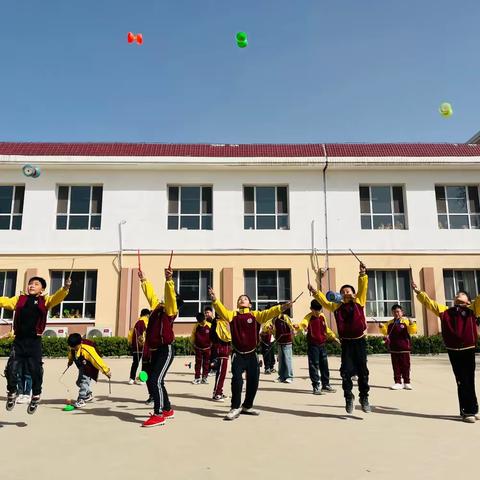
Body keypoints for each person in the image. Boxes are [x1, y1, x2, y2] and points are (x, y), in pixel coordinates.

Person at [208, 287, 292, 421]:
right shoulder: (232, 315)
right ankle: (235, 407)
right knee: (237, 380)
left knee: (253, 381)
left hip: (252, 354)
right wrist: (214, 300)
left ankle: (247, 406)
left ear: (250, 304)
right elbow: (220, 310)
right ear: (237, 304)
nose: (242, 300)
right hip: (238, 355)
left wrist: (282, 307)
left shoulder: (256, 315)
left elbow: (269, 312)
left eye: (245, 299)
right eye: (240, 299)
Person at [1, 275, 70, 414]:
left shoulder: (45, 301)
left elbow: (57, 297)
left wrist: (65, 288)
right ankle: (12, 392)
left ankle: (36, 395)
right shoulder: (19, 299)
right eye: (30, 284)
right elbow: (4, 301)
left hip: (34, 342)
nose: (31, 286)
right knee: (11, 368)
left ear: (42, 289)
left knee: (35, 370)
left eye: (36, 284)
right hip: (19, 341)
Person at [413, 281, 480, 423]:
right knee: (462, 380)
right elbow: (430, 303)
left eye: (461, 294)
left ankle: (472, 409)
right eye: (456, 294)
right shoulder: (446, 311)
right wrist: (419, 292)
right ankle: (467, 411)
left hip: (468, 348)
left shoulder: (472, 309)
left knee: (469, 379)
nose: (458, 295)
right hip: (453, 350)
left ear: (468, 300)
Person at [309, 262, 371, 413]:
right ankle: (348, 397)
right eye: (343, 291)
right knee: (346, 371)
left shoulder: (359, 301)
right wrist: (315, 292)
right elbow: (324, 301)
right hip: (347, 344)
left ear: (353, 293)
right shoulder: (336, 307)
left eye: (348, 290)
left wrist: (362, 273)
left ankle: (364, 397)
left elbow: (362, 288)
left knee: (363, 372)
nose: (345, 292)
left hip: (360, 342)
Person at [138, 266, 178, 428]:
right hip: (155, 351)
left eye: (166, 299)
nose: (161, 300)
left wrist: (168, 280)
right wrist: (143, 279)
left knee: (155, 380)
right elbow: (151, 294)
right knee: (157, 381)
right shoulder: (156, 308)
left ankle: (158, 414)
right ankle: (167, 409)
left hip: (165, 350)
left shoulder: (170, 310)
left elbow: (170, 298)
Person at [295, 299, 338, 394]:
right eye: (316, 311)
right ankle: (316, 386)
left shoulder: (322, 316)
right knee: (314, 365)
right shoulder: (308, 317)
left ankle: (325, 385)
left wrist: (334, 337)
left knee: (324, 365)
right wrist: (298, 327)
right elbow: (303, 324)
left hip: (322, 344)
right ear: (311, 309)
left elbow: (326, 329)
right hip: (313, 346)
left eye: (319, 310)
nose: (318, 312)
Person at [66, 333, 111, 408]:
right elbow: (71, 354)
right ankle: (88, 395)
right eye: (72, 347)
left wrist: (106, 371)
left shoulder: (87, 350)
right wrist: (70, 362)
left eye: (75, 347)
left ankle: (81, 399)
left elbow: (97, 361)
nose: (73, 349)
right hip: (82, 366)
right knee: (79, 382)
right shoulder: (73, 348)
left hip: (90, 367)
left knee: (84, 381)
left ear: (80, 343)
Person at [378, 304, 417, 390]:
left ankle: (407, 382)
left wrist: (411, 324)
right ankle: (398, 382)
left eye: (398, 311)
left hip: (404, 348)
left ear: (402, 312)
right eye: (394, 312)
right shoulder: (390, 323)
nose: (396, 313)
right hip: (394, 348)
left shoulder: (406, 321)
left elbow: (413, 331)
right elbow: (386, 332)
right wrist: (381, 327)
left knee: (406, 366)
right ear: (392, 313)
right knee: (396, 366)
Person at [209, 311, 232, 402]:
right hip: (222, 351)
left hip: (224, 351)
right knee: (221, 373)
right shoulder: (219, 323)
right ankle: (217, 393)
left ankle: (218, 391)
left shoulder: (220, 323)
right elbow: (227, 336)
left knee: (221, 373)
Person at [127, 308, 150, 385]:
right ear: (147, 315)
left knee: (135, 363)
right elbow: (146, 333)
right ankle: (142, 379)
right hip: (144, 346)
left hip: (135, 346)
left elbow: (130, 333)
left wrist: (131, 343)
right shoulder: (145, 322)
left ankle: (132, 378)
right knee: (145, 363)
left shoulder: (136, 322)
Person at [272, 309, 295, 383]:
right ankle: (281, 376)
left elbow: (291, 328)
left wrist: (291, 334)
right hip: (279, 341)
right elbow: (274, 331)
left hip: (287, 341)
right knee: (281, 360)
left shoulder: (285, 317)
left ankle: (289, 377)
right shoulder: (275, 319)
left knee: (287, 359)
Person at [191, 312, 212, 384]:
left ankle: (204, 378)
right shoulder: (196, 326)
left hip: (207, 348)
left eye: (202, 322)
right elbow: (193, 336)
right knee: (198, 364)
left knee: (206, 363)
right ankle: (197, 378)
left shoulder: (210, 325)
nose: (202, 323)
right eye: (200, 322)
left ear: (205, 319)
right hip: (198, 348)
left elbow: (213, 336)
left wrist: (212, 345)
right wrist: (193, 345)